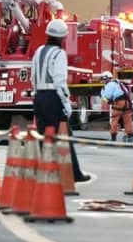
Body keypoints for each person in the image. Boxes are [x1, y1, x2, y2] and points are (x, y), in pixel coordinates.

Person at [31, 19, 91, 182]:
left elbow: (33, 76)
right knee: (65, 135)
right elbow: (59, 80)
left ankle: (46, 170)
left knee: (44, 135)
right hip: (53, 97)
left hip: (39, 96)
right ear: (62, 38)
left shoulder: (39, 51)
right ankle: (74, 172)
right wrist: (65, 102)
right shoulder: (59, 54)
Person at [99, 71, 133, 143]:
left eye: (103, 79)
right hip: (127, 102)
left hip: (119, 103)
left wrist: (102, 94)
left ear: (107, 78)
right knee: (128, 120)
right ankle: (130, 136)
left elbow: (107, 96)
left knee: (114, 120)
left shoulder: (109, 85)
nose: (103, 81)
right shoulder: (118, 83)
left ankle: (113, 138)